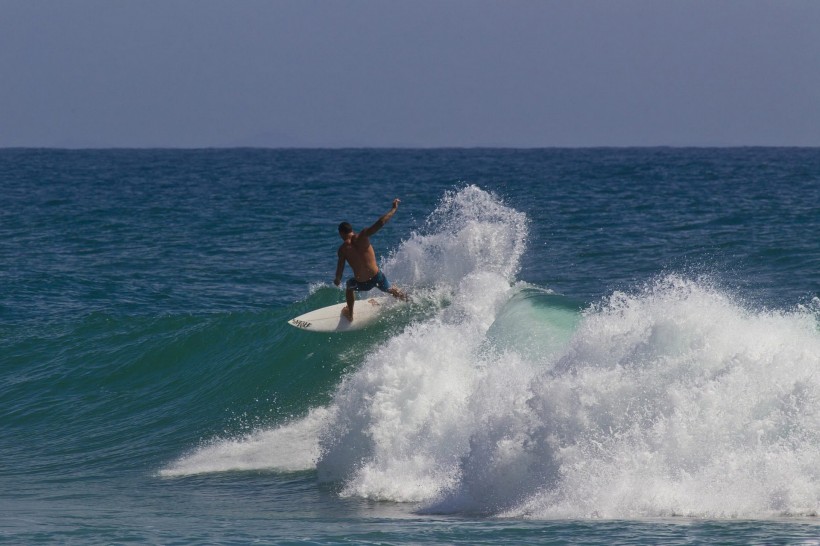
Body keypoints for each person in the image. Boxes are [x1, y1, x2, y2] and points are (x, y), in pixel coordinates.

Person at [334, 198, 407, 321]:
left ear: (341, 233)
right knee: (391, 289)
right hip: (377, 277)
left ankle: (350, 314)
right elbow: (381, 222)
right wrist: (394, 208)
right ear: (351, 230)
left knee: (349, 285)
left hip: (362, 283)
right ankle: (408, 299)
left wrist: (337, 279)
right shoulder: (362, 236)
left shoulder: (342, 249)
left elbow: (340, 268)